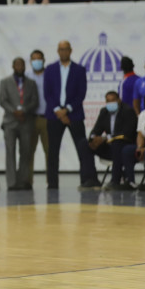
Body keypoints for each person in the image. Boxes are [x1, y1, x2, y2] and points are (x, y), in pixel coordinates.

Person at [43, 40, 89, 189]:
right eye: (61, 49)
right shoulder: (50, 69)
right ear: (58, 51)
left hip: (74, 114)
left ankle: (86, 180)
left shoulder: (79, 70)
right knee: (52, 151)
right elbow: (47, 93)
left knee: (82, 148)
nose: (63, 52)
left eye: (66, 49)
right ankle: (52, 183)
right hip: (54, 114)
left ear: (70, 50)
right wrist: (58, 110)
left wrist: (67, 110)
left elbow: (81, 93)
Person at [77, 91, 137, 190]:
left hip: (123, 147)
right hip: (109, 148)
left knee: (117, 143)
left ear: (119, 100)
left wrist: (105, 138)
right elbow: (96, 130)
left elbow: (127, 133)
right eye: (108, 101)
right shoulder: (104, 111)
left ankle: (115, 181)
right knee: (84, 143)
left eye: (113, 100)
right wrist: (93, 138)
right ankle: (91, 180)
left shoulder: (128, 111)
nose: (110, 103)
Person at [0, 57, 39, 190]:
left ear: (24, 66)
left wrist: (24, 111)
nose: (19, 67)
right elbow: (2, 100)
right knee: (10, 151)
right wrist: (14, 112)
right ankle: (11, 183)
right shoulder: (5, 82)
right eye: (17, 65)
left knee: (26, 152)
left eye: (22, 65)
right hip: (10, 122)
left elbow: (35, 101)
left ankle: (23, 181)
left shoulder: (31, 83)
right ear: (13, 66)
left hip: (26, 121)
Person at [122, 91, 145, 191]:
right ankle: (130, 181)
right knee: (127, 150)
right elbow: (140, 134)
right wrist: (140, 147)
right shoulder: (143, 114)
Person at [26, 49, 49, 186]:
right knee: (29, 151)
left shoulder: (49, 75)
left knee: (49, 151)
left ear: (44, 60)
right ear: (30, 61)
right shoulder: (27, 76)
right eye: (34, 59)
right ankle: (28, 181)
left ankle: (51, 181)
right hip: (31, 119)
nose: (37, 61)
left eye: (39, 59)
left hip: (47, 118)